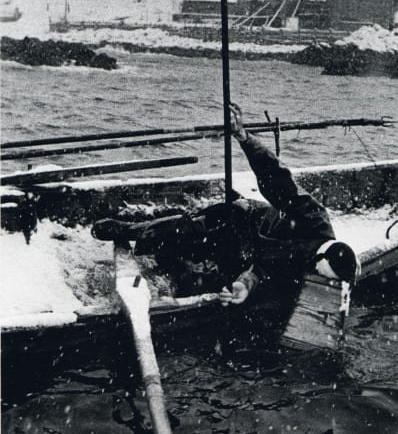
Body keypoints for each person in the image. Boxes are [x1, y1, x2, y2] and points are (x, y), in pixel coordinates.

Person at [92, 103, 360, 304]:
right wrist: (245, 138)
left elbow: (265, 270)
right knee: (186, 230)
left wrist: (244, 285)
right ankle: (130, 229)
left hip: (249, 252)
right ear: (322, 255)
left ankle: (170, 264)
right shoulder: (313, 217)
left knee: (204, 279)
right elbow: (277, 177)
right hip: (244, 220)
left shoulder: (308, 263)